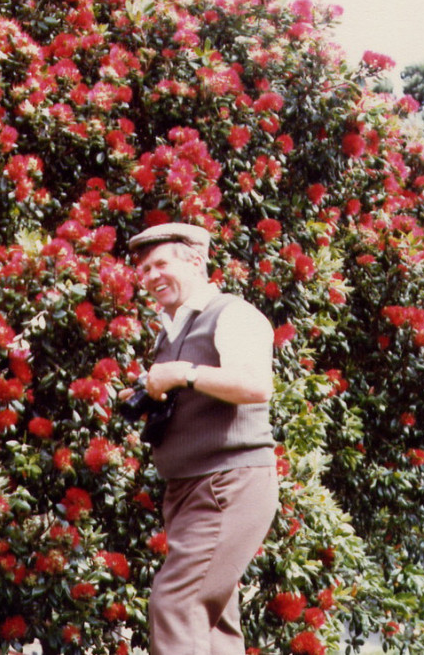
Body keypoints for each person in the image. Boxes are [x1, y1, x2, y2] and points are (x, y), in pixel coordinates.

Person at [126, 222, 279, 655]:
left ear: (195, 261)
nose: (150, 276)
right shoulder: (171, 332)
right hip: (189, 487)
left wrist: (183, 374)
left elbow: (255, 385)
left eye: (160, 264)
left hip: (227, 482)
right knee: (213, 624)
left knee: (178, 603)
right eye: (144, 269)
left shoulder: (232, 313)